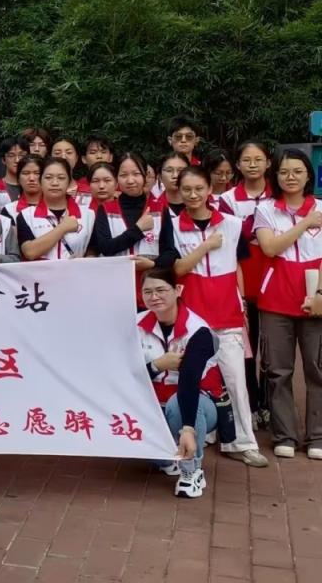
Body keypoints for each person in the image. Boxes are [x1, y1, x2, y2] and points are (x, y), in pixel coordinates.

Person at [157, 166, 268, 467]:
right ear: (178, 191)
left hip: (227, 312)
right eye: (187, 189)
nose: (193, 195)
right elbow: (176, 269)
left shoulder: (232, 224)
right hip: (192, 317)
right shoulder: (172, 225)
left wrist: (241, 303)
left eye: (199, 188)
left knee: (235, 380)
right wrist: (205, 246)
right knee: (193, 377)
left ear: (209, 190)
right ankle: (201, 432)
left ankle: (242, 442)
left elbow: (239, 266)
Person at [253, 150, 322, 460]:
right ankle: (285, 435)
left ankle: (317, 436)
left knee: (317, 369)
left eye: (297, 171)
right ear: (276, 176)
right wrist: (304, 223)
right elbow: (270, 247)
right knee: (278, 371)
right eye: (284, 172)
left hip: (315, 298)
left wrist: (321, 294)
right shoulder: (266, 210)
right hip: (276, 300)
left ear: (308, 175)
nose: (290, 177)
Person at [138, 268, 222, 498]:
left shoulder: (198, 331)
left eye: (161, 290)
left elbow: (190, 380)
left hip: (195, 404)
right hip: (154, 404)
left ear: (177, 290)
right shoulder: (135, 326)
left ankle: (191, 471)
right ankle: (167, 460)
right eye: (148, 292)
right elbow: (125, 374)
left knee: (178, 403)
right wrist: (158, 365)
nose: (154, 297)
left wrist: (187, 429)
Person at [221, 141, 273, 426]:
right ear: (237, 165)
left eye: (258, 159)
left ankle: (270, 405)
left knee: (273, 349)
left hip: (274, 278)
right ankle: (251, 404)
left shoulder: (279, 193)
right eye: (246, 160)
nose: (253, 164)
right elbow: (233, 237)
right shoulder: (228, 199)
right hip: (242, 278)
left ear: (268, 163)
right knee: (247, 347)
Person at [93, 153, 159, 303]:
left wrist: (153, 264)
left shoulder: (160, 208)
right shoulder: (106, 209)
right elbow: (106, 248)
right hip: (115, 288)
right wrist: (138, 229)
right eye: (123, 175)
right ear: (116, 178)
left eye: (136, 174)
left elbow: (170, 251)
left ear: (145, 176)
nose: (130, 180)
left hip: (153, 288)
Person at [17, 157, 95, 261]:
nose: (55, 183)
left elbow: (93, 250)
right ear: (40, 181)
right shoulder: (26, 215)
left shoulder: (89, 214)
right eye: (48, 177)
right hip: (40, 272)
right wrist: (63, 228)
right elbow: (29, 252)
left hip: (76, 271)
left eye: (61, 178)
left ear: (69, 182)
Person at [0, 154, 43, 222]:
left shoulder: (55, 207)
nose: (31, 178)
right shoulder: (9, 210)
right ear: (18, 178)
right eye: (26, 173)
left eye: (37, 173)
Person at [149, 152, 191, 218]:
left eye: (181, 170)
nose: (175, 175)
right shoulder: (151, 208)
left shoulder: (202, 205)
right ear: (159, 176)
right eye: (169, 170)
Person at [0, 137, 28, 208]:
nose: (17, 160)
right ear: (3, 160)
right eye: (11, 155)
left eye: (21, 155)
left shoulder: (34, 186)